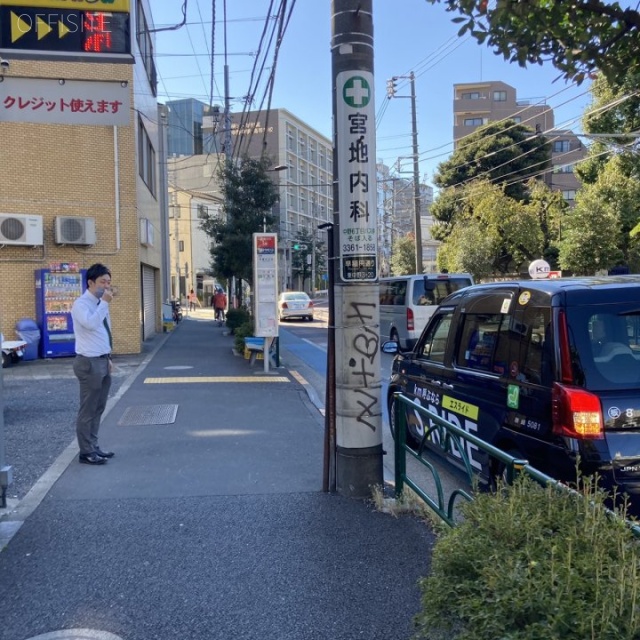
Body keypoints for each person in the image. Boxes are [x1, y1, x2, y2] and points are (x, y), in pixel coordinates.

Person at [71, 263, 116, 466]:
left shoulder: (100, 304)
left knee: (99, 407)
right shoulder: (81, 304)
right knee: (88, 409)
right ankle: (86, 451)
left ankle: (94, 445)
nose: (106, 286)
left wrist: (108, 358)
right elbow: (90, 325)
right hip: (88, 362)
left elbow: (103, 333)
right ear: (90, 282)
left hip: (102, 360)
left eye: (108, 282)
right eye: (102, 282)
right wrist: (105, 304)